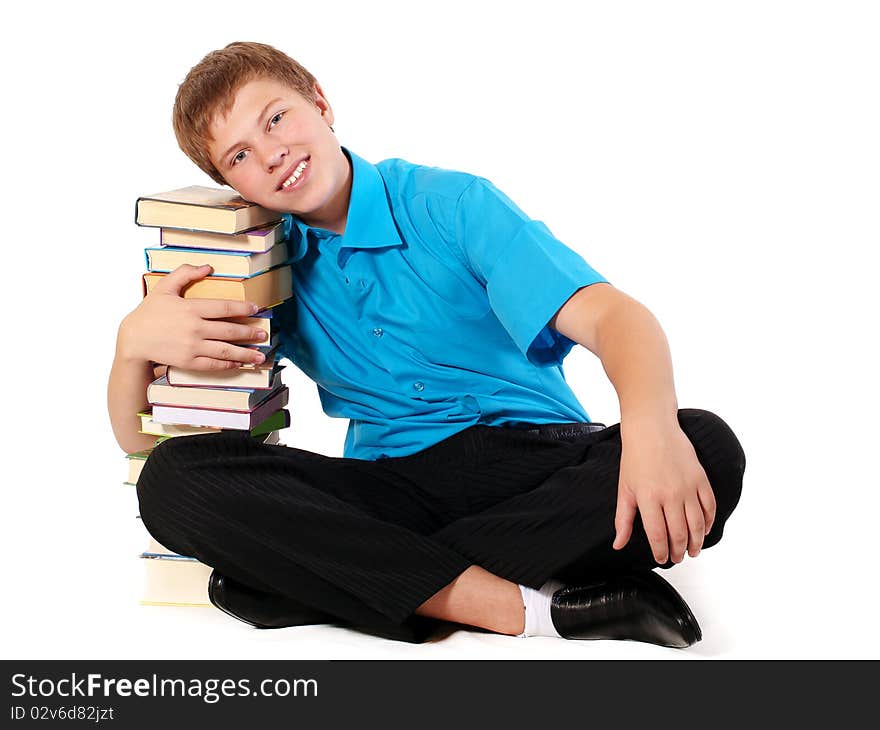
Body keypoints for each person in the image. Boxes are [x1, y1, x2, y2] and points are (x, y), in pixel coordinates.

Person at [108, 41, 745, 647]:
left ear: (322, 105)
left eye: (277, 118)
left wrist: (650, 430)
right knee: (171, 482)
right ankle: (519, 607)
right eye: (239, 156)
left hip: (532, 465)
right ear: (231, 185)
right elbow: (144, 443)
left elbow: (616, 320)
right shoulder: (259, 269)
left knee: (707, 444)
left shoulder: (449, 203)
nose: (270, 154)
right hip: (392, 486)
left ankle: (344, 585)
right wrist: (131, 347)